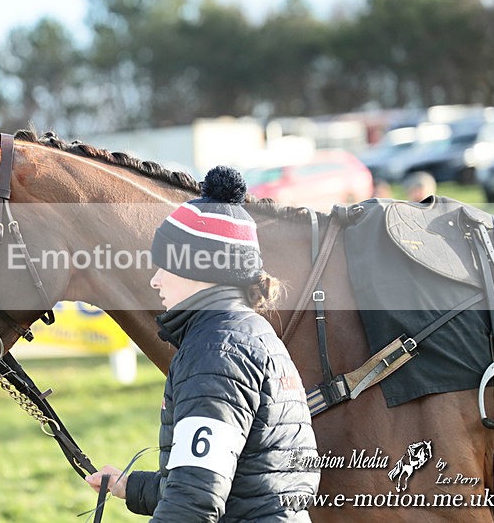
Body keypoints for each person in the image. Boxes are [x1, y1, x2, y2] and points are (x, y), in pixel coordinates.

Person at [86, 166, 320, 521]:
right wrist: (128, 486)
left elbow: (193, 502)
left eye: (165, 266)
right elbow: (231, 479)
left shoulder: (216, 351)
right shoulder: (248, 332)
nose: (155, 280)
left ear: (198, 270)